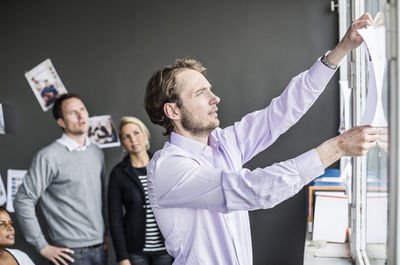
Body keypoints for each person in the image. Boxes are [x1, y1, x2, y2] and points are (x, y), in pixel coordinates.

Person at [143, 13, 378, 265]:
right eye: (201, 93)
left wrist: (342, 49)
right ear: (173, 111)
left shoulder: (224, 143)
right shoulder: (168, 168)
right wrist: (337, 148)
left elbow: (281, 111)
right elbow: (248, 189)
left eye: (210, 89)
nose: (215, 98)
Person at [14, 93, 108, 265]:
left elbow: (102, 197)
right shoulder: (48, 156)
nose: (81, 115)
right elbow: (23, 199)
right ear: (61, 122)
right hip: (70, 253)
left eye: (82, 109)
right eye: (72, 112)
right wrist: (41, 245)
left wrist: (106, 234)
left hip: (100, 248)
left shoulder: (96, 152)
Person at [108, 116, 173, 265]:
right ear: (123, 143)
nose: (133, 139)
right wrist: (122, 257)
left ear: (145, 135)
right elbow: (115, 219)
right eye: (126, 136)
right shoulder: (118, 173)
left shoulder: (162, 165)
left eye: (136, 133)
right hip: (135, 252)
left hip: (166, 249)